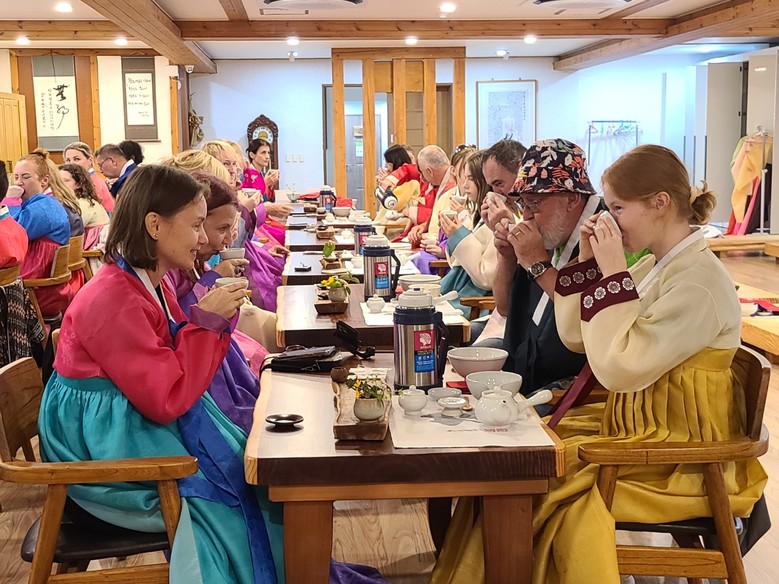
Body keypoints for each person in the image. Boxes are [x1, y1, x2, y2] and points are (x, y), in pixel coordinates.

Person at [433, 144, 771, 584]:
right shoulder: (659, 265)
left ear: (660, 203)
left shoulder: (699, 282)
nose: (608, 219)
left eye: (618, 208)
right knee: (511, 460)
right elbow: (578, 333)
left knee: (534, 482)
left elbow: (618, 366)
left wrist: (611, 274)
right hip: (640, 423)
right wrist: (589, 265)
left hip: (674, 451)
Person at [37, 164, 285, 583]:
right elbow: (164, 399)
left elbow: (165, 367)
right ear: (154, 225)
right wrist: (205, 322)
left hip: (128, 422)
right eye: (195, 225)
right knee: (230, 488)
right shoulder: (113, 299)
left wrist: (206, 320)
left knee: (256, 462)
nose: (204, 239)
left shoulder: (152, 280)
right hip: (103, 448)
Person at [8, 154, 72, 316]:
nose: (19, 182)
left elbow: (12, 235)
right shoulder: (42, 203)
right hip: (38, 284)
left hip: (37, 290)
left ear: (44, 181)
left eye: (25, 177)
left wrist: (10, 201)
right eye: (16, 177)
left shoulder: (45, 208)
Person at [438, 150, 497, 318]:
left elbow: (486, 278)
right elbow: (458, 262)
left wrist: (458, 236)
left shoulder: (498, 218)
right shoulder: (481, 215)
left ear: (485, 180)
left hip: (474, 302)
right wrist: (455, 235)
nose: (464, 186)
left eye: (470, 178)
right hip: (463, 291)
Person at [413, 144, 477, 274]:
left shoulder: (479, 200)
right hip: (443, 250)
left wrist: (445, 251)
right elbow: (434, 231)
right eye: (466, 174)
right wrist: (431, 242)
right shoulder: (446, 197)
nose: (467, 182)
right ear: (453, 170)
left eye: (472, 176)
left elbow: (476, 238)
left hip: (463, 260)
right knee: (419, 258)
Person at [59, 163, 110, 246]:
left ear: (78, 184)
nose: (60, 184)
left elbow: (73, 230)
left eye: (66, 180)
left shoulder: (83, 203)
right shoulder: (69, 201)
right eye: (58, 181)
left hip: (93, 247)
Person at [63, 141, 115, 213]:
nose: (71, 163)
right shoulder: (80, 181)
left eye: (77, 159)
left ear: (90, 160)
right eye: (68, 160)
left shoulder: (94, 183)